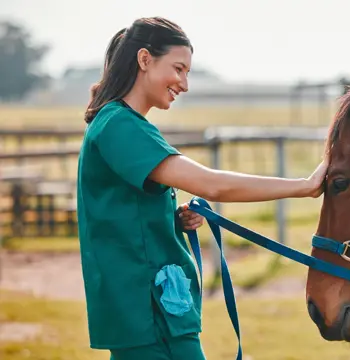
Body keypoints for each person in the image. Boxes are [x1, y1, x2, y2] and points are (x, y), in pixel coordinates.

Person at [77, 17, 327, 360]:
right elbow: (213, 185)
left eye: (188, 72)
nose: (184, 83)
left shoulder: (121, 123)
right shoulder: (121, 126)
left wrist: (170, 219)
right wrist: (305, 186)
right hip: (149, 311)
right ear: (145, 60)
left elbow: (122, 210)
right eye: (178, 69)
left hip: (148, 310)